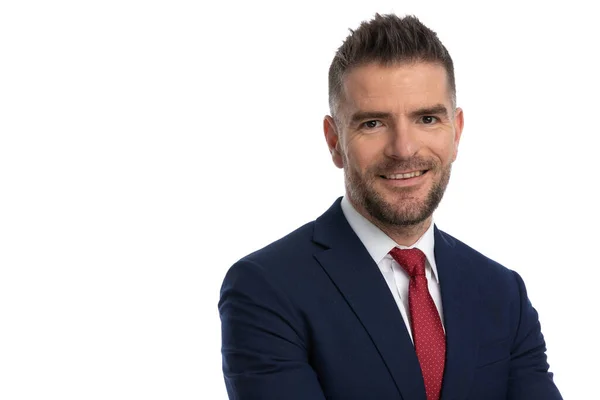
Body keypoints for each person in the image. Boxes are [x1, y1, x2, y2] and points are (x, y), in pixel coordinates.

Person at [218, 13, 562, 400]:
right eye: (373, 124)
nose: (404, 149)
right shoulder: (267, 288)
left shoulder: (503, 293)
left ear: (456, 132)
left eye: (427, 118)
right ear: (334, 141)